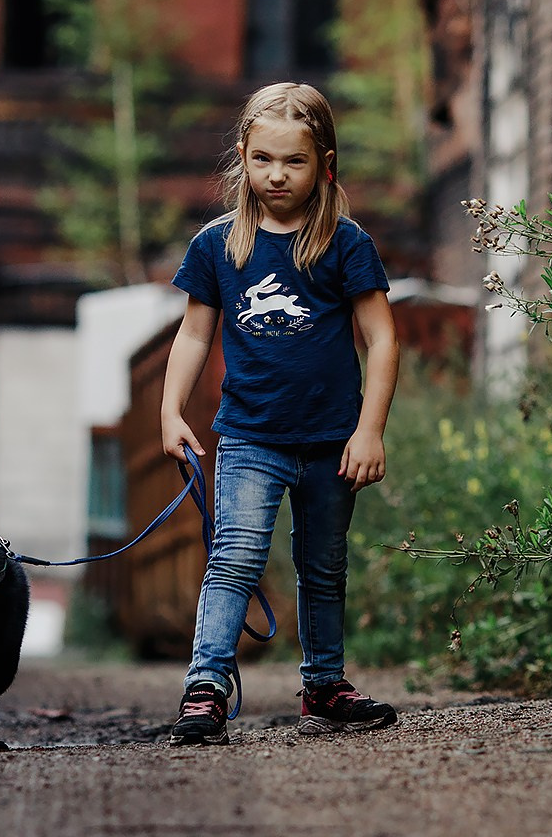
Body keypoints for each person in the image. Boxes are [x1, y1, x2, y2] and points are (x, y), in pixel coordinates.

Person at [161, 82, 400, 745]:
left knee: (323, 567)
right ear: (243, 156)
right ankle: (206, 687)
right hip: (249, 437)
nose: (277, 174)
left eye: (294, 161)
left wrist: (370, 430)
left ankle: (324, 684)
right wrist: (170, 410)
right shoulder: (217, 246)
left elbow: (382, 339)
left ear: (325, 164)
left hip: (333, 441)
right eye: (263, 159)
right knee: (235, 557)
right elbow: (194, 335)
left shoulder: (346, 244)